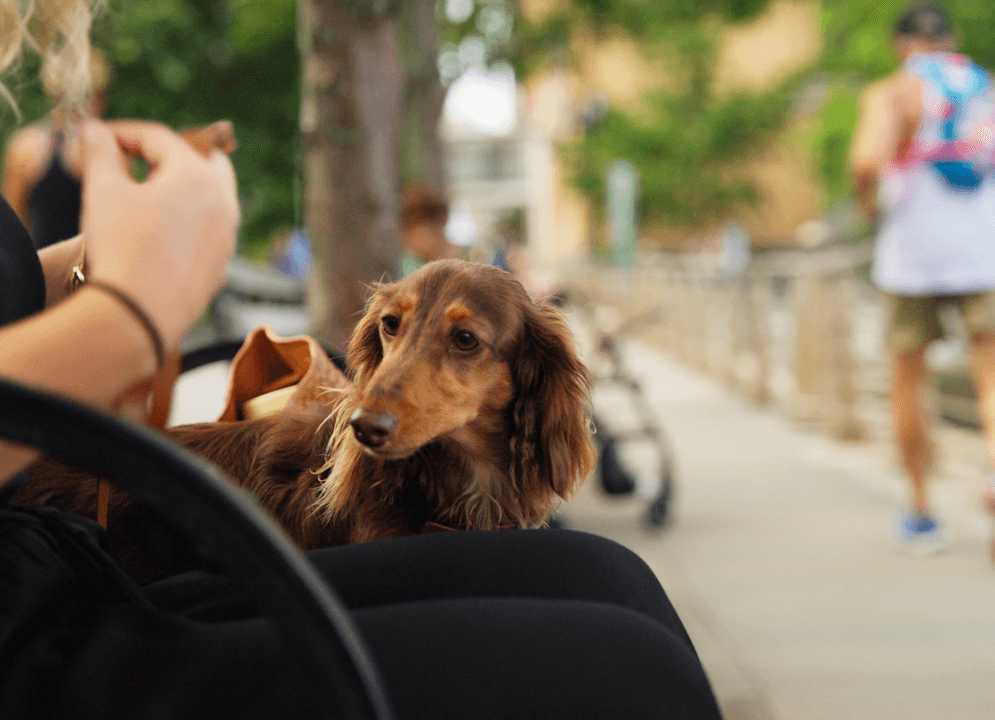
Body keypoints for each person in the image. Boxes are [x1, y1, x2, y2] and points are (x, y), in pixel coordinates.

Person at [0, 3, 722, 718]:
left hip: (60, 547)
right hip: (36, 618)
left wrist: (92, 261)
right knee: (630, 670)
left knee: (614, 578)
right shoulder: (30, 152)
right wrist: (133, 311)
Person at [848, 4, 995, 563]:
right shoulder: (990, 89)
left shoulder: (893, 92)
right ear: (952, 42)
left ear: (900, 45)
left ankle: (920, 508)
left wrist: (869, 201)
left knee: (910, 381)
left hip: (912, 256)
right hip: (985, 251)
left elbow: (866, 160)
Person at [1, 45, 109, 248]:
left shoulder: (25, 146)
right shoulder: (103, 146)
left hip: (45, 269)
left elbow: (11, 228)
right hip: (91, 271)